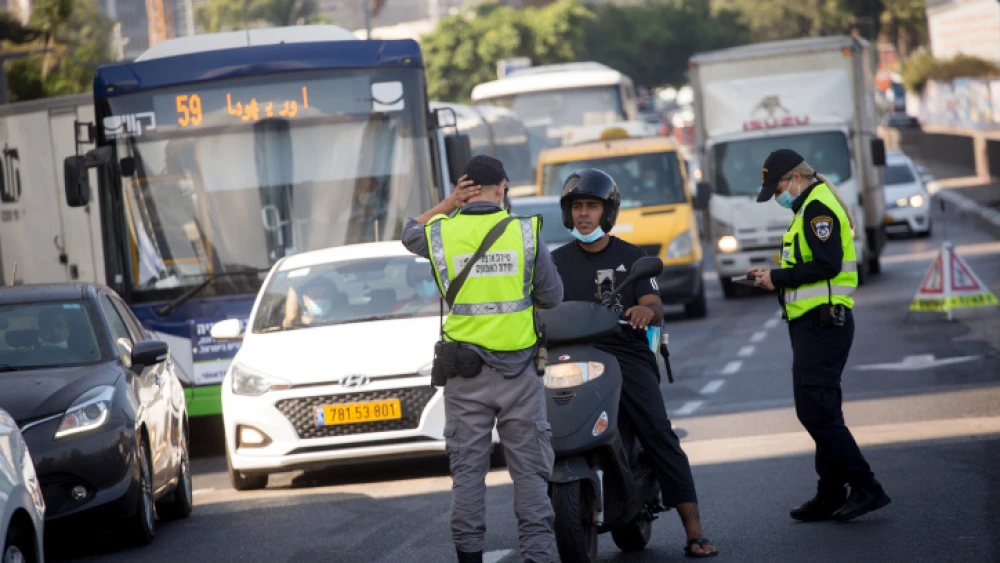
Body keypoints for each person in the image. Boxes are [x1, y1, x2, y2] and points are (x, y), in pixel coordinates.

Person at [402, 155, 564, 563]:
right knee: (530, 476)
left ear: (465, 190)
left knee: (468, 478)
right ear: (502, 188)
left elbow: (408, 234)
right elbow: (553, 297)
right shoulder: (523, 233)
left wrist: (446, 205)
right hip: (519, 377)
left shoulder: (442, 234)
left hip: (464, 377)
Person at [550, 169, 718, 558]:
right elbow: (536, 305)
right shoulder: (553, 262)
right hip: (569, 355)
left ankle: (694, 530)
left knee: (658, 432)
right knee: (532, 430)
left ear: (607, 212)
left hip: (624, 353)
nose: (584, 215)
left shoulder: (631, 257)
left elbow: (654, 304)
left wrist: (644, 311)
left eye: (592, 206)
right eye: (577, 207)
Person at [749, 148, 891, 522]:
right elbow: (808, 262)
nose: (777, 195)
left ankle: (866, 486)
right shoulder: (809, 206)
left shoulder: (817, 208)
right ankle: (830, 492)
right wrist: (772, 272)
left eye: (777, 187)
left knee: (815, 411)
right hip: (814, 323)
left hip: (824, 323)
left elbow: (826, 264)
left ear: (795, 178)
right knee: (824, 410)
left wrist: (777, 277)